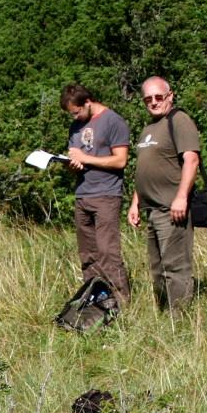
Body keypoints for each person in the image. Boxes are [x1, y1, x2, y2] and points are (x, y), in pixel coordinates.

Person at [128, 76, 200, 314]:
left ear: (170, 95)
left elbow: (191, 159)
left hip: (171, 209)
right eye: (148, 99)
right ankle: (164, 313)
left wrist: (181, 197)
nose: (154, 102)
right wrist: (135, 204)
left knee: (175, 267)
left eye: (159, 97)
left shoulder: (179, 120)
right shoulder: (148, 128)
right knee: (157, 268)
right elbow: (144, 169)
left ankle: (178, 320)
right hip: (151, 209)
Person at [60, 82, 131, 306]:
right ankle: (94, 301)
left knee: (107, 252)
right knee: (87, 255)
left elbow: (121, 160)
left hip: (106, 194)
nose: (74, 118)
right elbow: (79, 156)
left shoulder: (113, 121)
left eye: (76, 112)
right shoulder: (76, 126)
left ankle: (120, 302)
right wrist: (72, 164)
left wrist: (86, 159)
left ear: (88, 103)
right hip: (83, 194)